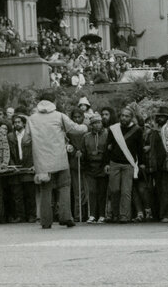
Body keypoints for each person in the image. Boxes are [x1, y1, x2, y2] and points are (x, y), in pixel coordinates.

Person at [28, 92, 88, 229]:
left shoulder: (32, 119)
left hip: (42, 162)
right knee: (64, 187)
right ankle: (66, 217)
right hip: (60, 159)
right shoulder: (59, 116)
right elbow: (75, 129)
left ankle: (46, 221)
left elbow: (26, 140)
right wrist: (85, 126)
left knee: (45, 190)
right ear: (53, 102)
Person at [105, 105, 143, 223]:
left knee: (126, 191)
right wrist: (106, 163)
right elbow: (108, 147)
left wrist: (142, 163)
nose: (124, 118)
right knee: (114, 190)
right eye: (122, 115)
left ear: (131, 118)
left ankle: (124, 216)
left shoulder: (137, 130)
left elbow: (140, 149)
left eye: (126, 116)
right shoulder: (113, 129)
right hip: (114, 163)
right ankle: (115, 214)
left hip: (128, 164)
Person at [7, 113, 35, 223]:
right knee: (17, 194)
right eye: (15, 122)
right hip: (15, 166)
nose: (17, 124)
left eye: (19, 122)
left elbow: (34, 150)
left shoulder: (30, 135)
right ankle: (20, 216)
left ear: (24, 123)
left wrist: (34, 164)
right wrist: (12, 164)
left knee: (29, 193)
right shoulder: (10, 136)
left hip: (28, 165)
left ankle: (31, 215)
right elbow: (8, 151)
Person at [82, 113, 109, 223]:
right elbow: (83, 151)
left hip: (102, 166)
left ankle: (102, 214)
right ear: (91, 125)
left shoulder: (107, 134)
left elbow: (109, 150)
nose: (97, 125)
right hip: (90, 167)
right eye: (94, 123)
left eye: (99, 122)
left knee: (102, 191)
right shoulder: (86, 136)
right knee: (92, 191)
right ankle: (92, 214)